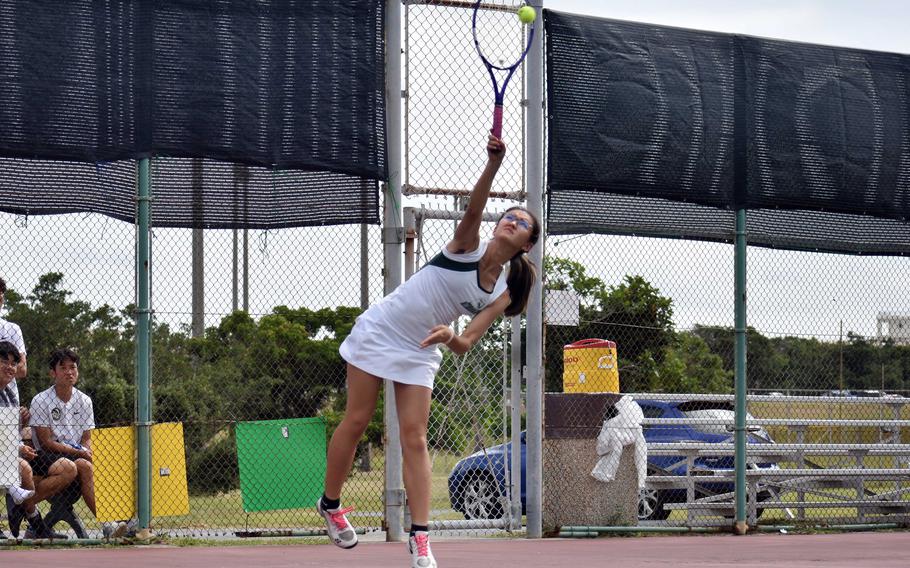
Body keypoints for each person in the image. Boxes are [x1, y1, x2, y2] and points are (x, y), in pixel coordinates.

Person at [318, 135, 539, 568]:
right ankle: (330, 504)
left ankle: (420, 538)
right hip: (382, 329)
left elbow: (467, 342)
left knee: (415, 437)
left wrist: (448, 337)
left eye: (523, 222)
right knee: (358, 419)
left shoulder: (501, 292)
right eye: (509, 215)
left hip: (421, 348)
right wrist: (493, 165)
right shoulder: (465, 244)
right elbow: (475, 206)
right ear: (497, 225)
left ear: (527, 244)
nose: (512, 220)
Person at [29, 347, 126, 538]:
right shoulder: (40, 400)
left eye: (72, 367)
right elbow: (46, 442)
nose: (69, 372)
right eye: (63, 368)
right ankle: (107, 524)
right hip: (47, 457)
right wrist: (80, 453)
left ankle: (117, 523)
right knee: (81, 464)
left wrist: (87, 452)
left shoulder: (84, 401)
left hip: (74, 455)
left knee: (88, 464)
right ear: (53, 373)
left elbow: (86, 439)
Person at [1, 341, 77, 539]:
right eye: (4, 362)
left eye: (13, 363)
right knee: (24, 469)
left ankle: (20, 509)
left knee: (69, 468)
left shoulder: (9, 393)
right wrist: (18, 447)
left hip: (12, 451)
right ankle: (36, 524)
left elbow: (7, 430)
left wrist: (21, 421)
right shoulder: (42, 399)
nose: (10, 367)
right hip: (10, 454)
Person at [0, 277, 30, 429]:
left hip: (9, 399)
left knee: (8, 446)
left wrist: (3, 368)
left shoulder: (12, 329)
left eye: (1, 292)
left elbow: (23, 369)